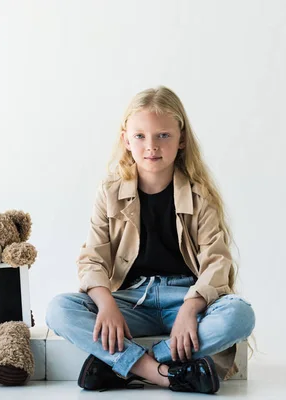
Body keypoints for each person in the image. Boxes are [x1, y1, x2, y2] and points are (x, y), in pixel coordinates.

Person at [46, 86, 255, 394]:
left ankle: (130, 366)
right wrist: (105, 304)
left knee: (240, 314)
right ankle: (162, 374)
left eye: (163, 135)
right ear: (126, 140)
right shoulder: (110, 192)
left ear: (181, 140)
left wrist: (190, 308)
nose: (151, 146)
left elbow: (217, 261)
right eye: (140, 136)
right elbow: (92, 258)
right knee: (59, 309)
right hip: (132, 301)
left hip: (184, 298)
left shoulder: (200, 194)